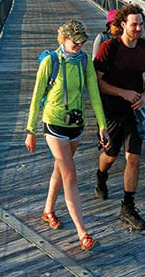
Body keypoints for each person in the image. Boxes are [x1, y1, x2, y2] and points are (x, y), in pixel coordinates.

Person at [25, 20, 108, 250]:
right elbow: (35, 96)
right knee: (70, 174)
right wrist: (30, 130)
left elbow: (94, 94)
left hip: (77, 124)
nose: (80, 44)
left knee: (60, 170)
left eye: (82, 40)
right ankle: (83, 233)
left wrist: (102, 125)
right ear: (63, 39)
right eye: (75, 40)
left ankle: (48, 210)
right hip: (54, 123)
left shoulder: (84, 62)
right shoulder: (50, 62)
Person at [94, 4, 145, 230]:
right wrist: (123, 92)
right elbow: (97, 83)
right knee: (110, 155)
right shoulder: (108, 48)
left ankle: (127, 207)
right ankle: (101, 175)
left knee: (133, 158)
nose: (138, 28)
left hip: (134, 112)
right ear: (122, 25)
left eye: (141, 24)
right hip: (111, 110)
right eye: (134, 24)